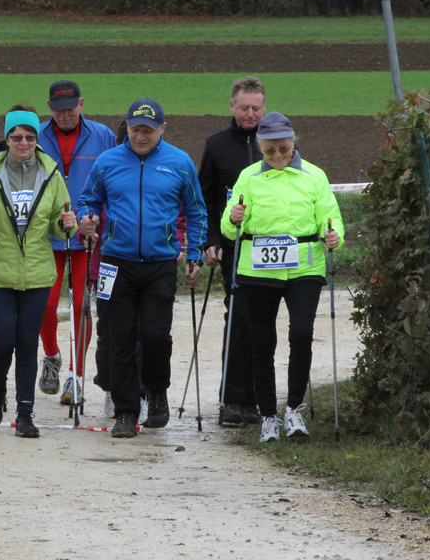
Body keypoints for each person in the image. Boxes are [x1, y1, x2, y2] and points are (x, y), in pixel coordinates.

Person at [78, 98, 208, 438]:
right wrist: (86, 219)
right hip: (115, 263)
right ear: (128, 127)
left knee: (154, 335)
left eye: (148, 130)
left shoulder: (179, 162)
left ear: (162, 129)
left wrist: (194, 256)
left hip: (160, 263)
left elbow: (196, 211)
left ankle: (157, 392)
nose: (140, 136)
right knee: (118, 337)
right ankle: (126, 410)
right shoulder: (107, 161)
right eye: (135, 129)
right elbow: (88, 200)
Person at [223, 112, 343, 442]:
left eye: (284, 149)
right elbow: (229, 227)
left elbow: (330, 216)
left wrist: (333, 234)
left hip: (304, 267)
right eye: (270, 150)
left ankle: (293, 409)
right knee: (262, 341)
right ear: (261, 148)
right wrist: (233, 218)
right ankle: (267, 416)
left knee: (301, 334)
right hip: (258, 269)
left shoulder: (314, 176)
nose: (277, 156)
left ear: (294, 145)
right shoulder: (248, 177)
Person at [0, 110, 77, 438]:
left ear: (36, 139)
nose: (23, 143)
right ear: (7, 138)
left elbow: (60, 220)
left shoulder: (51, 172)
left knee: (27, 344)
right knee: (2, 343)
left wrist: (66, 224)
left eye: (29, 137)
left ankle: (25, 413)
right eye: (16, 137)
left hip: (37, 273)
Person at [35, 80, 115, 406]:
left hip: (87, 237)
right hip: (46, 235)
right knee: (46, 304)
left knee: (81, 306)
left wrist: (98, 221)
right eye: (58, 110)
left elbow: (112, 179)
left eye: (70, 109)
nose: (64, 115)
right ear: (49, 108)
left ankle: (76, 375)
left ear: (82, 104)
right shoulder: (36, 136)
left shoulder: (103, 135)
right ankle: (52, 356)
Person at [197, 75, 267, 427]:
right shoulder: (217, 145)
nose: (250, 114)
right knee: (239, 316)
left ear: (264, 108)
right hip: (232, 247)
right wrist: (209, 240)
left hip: (270, 247)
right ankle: (232, 399)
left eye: (256, 108)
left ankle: (256, 399)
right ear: (232, 106)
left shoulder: (277, 144)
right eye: (244, 108)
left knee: (261, 319)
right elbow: (206, 199)